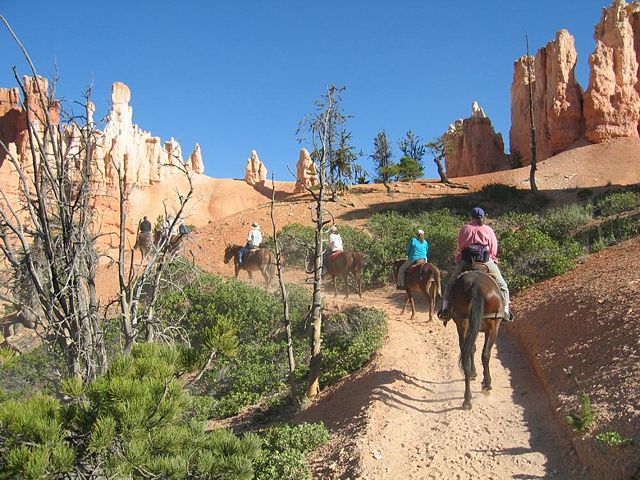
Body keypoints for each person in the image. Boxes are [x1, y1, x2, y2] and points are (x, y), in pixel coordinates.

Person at [439, 207, 513, 322]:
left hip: (466, 261)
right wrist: (493, 259)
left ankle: (445, 309)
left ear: (471, 216)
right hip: (485, 261)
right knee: (503, 285)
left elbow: (461, 246)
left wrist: (459, 258)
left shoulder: (465, 228)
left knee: (451, 283)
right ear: (483, 217)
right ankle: (506, 312)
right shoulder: (488, 229)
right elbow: (493, 248)